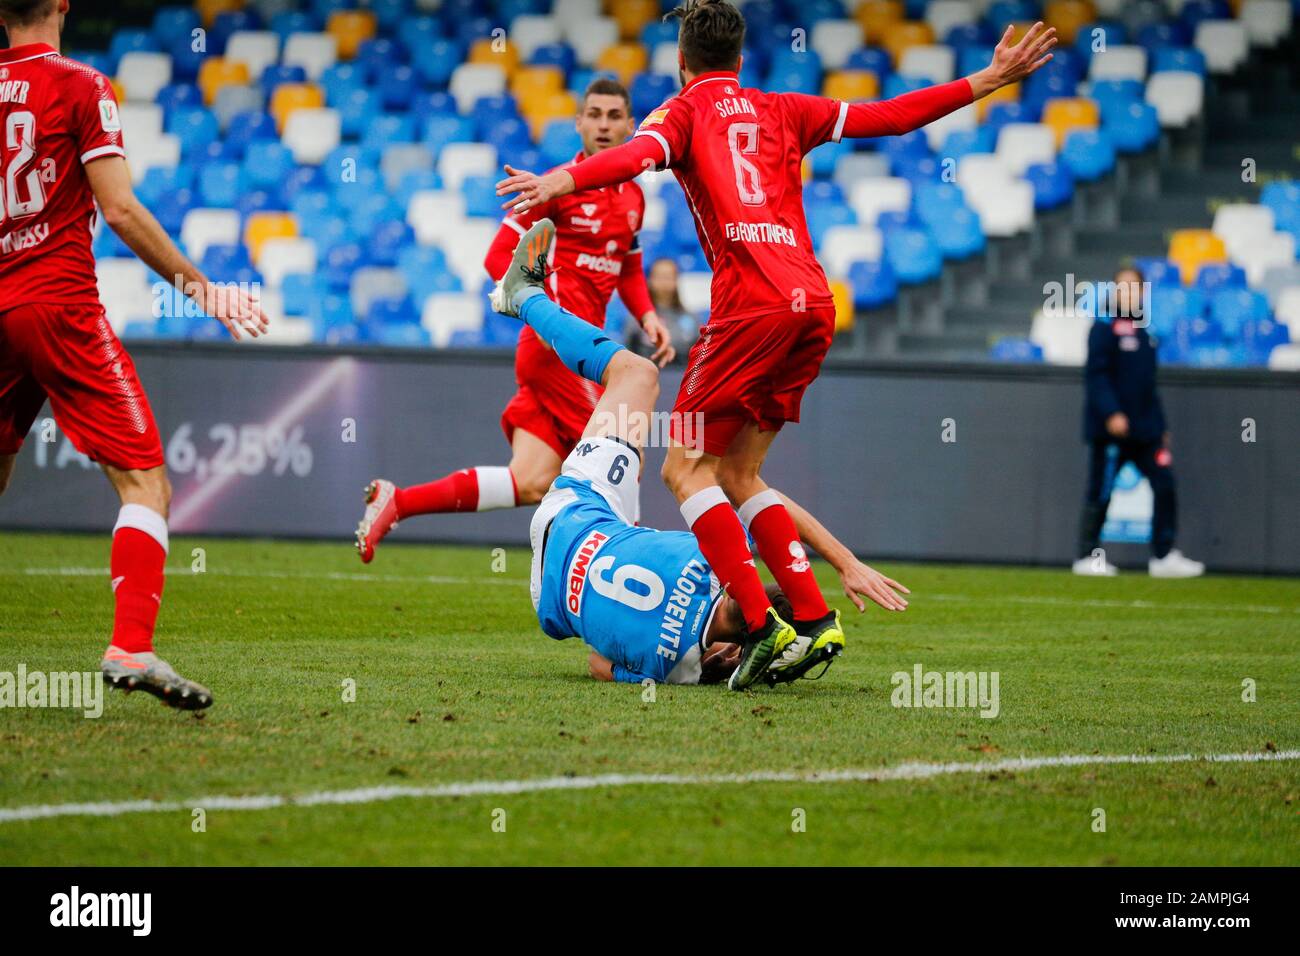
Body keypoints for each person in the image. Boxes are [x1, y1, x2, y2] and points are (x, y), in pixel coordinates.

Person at [498, 0, 1056, 675]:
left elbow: (636, 158)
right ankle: (815, 619)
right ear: (739, 60)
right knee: (737, 471)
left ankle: (762, 625)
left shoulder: (681, 114)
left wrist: (561, 178)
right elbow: (891, 115)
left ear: (681, 66)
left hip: (750, 308)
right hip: (812, 304)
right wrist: (989, 80)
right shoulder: (786, 107)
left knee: (682, 466)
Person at [495, 218, 908, 689]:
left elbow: (750, 499)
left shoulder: (712, 561)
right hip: (551, 604)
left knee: (637, 376)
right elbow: (597, 665)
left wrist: (841, 561)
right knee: (641, 485)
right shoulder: (680, 671)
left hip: (573, 513)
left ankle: (524, 296)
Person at [0, 0, 268, 708]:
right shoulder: (81, 85)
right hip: (57, 304)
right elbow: (119, 209)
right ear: (61, 3)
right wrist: (208, 294)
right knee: (145, 483)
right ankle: (131, 648)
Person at [355, 79, 677, 562]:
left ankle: (398, 501)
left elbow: (627, 263)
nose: (605, 125)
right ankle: (625, 592)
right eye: (595, 114)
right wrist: (545, 312)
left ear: (632, 125)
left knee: (529, 480)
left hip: (585, 351)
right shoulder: (556, 186)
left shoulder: (633, 197)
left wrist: (648, 314)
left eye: (614, 116)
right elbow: (498, 256)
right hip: (557, 352)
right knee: (625, 448)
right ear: (579, 123)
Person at [1074, 267, 1204, 578]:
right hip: (1112, 432)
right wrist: (1111, 413)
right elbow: (1097, 376)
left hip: (1146, 431)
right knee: (1101, 491)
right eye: (1123, 287)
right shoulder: (1103, 328)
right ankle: (1087, 556)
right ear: (1114, 292)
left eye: (1134, 287)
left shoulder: (1145, 332)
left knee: (1164, 483)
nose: (1128, 293)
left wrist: (1161, 427)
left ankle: (1163, 555)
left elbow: (1148, 385)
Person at [626, 257, 699, 362]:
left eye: (669, 276)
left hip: (682, 374)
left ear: (676, 280)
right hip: (647, 373)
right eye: (659, 276)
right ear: (650, 279)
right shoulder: (638, 318)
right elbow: (628, 352)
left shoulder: (691, 318)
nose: (664, 281)